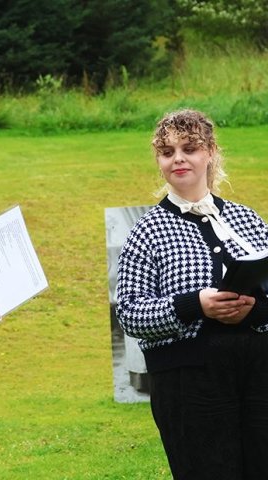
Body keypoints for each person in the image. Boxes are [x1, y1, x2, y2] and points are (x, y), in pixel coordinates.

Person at [116, 109, 268, 480]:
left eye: (190, 148)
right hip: (188, 384)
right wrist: (196, 305)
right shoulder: (147, 231)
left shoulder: (248, 220)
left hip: (259, 375)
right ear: (159, 161)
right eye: (167, 152)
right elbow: (131, 314)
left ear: (211, 152)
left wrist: (253, 311)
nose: (178, 158)